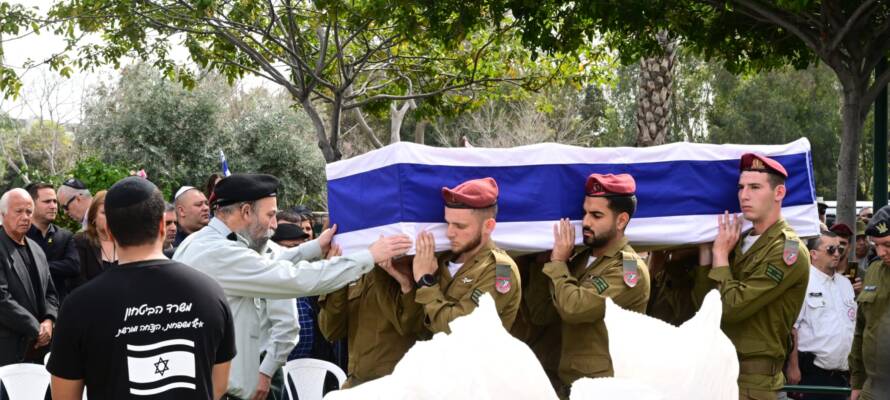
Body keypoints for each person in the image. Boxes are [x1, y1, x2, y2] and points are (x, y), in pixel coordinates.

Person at [173, 173, 412, 399]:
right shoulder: (219, 252)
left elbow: (269, 263)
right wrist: (368, 257)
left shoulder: (207, 242)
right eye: (270, 215)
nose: (274, 224)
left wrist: (316, 247)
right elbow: (292, 277)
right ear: (246, 211)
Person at [47, 177, 236, 399]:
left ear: (108, 229)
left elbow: (64, 396)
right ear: (161, 227)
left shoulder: (78, 306)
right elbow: (218, 385)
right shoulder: (210, 293)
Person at [525, 173, 650, 396]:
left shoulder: (628, 270)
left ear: (621, 220)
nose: (586, 222)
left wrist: (557, 262)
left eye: (596, 215)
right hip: (568, 385)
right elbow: (541, 315)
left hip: (606, 389)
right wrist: (540, 265)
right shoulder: (580, 260)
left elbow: (574, 308)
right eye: (584, 213)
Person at [697, 153, 809, 400]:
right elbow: (703, 305)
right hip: (718, 373)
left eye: (755, 187)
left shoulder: (787, 250)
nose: (744, 195)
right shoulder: (738, 242)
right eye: (741, 187)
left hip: (754, 384)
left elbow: (731, 308)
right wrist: (707, 253)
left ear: (779, 193)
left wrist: (720, 256)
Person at [408, 177, 521, 334]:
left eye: (460, 226)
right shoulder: (441, 261)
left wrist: (426, 281)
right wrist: (405, 283)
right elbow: (413, 326)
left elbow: (459, 330)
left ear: (488, 226)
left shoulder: (500, 271)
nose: (449, 233)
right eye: (448, 223)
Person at [318, 255, 420, 388]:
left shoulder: (407, 263)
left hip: (398, 384)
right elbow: (331, 331)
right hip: (358, 381)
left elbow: (411, 326)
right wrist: (337, 277)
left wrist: (405, 283)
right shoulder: (355, 267)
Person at [784, 231, 855, 399]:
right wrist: (793, 367)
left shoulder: (845, 284)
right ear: (813, 254)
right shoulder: (802, 282)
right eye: (831, 249)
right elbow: (792, 328)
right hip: (813, 373)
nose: (837, 254)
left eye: (840, 249)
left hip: (844, 374)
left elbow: (853, 325)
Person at [0, 188, 59, 366]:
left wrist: (49, 321)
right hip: (8, 349)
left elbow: (50, 292)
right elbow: (2, 299)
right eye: (19, 211)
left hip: (41, 349)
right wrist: (37, 328)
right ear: (2, 214)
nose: (25, 217)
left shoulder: (36, 248)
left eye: (29, 212)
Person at [849, 204, 890, 400]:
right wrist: (857, 382)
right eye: (877, 245)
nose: (882, 252)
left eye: (888, 244)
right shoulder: (874, 271)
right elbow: (861, 329)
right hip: (873, 387)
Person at [25, 182, 80, 301]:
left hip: (60, 308)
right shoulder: (20, 235)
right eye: (47, 201)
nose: (53, 206)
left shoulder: (65, 236)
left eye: (55, 201)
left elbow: (73, 266)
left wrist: (37, 266)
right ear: (31, 205)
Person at [72, 191, 116, 289]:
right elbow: (77, 282)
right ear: (93, 216)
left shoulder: (125, 240)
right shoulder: (80, 240)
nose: (110, 217)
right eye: (104, 213)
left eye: (113, 212)